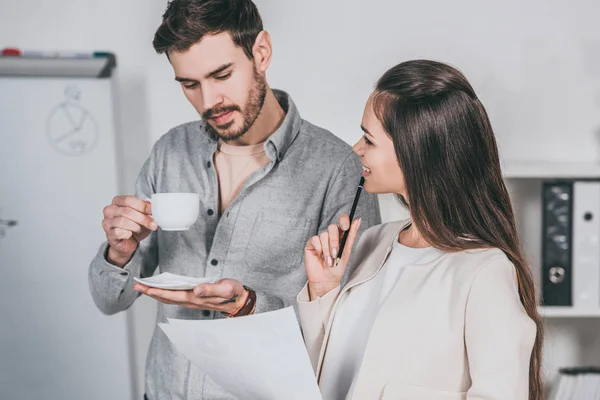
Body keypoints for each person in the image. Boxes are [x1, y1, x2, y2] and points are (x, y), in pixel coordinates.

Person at [87, 0, 381, 399]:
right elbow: (109, 300)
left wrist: (250, 306)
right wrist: (118, 254)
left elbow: (350, 325)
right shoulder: (171, 151)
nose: (208, 102)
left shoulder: (336, 168)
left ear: (261, 52)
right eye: (189, 84)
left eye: (221, 74)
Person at [298, 60, 543, 400]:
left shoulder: (484, 273)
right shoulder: (374, 242)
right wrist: (324, 293)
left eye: (369, 139)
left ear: (416, 153)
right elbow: (330, 374)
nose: (356, 148)